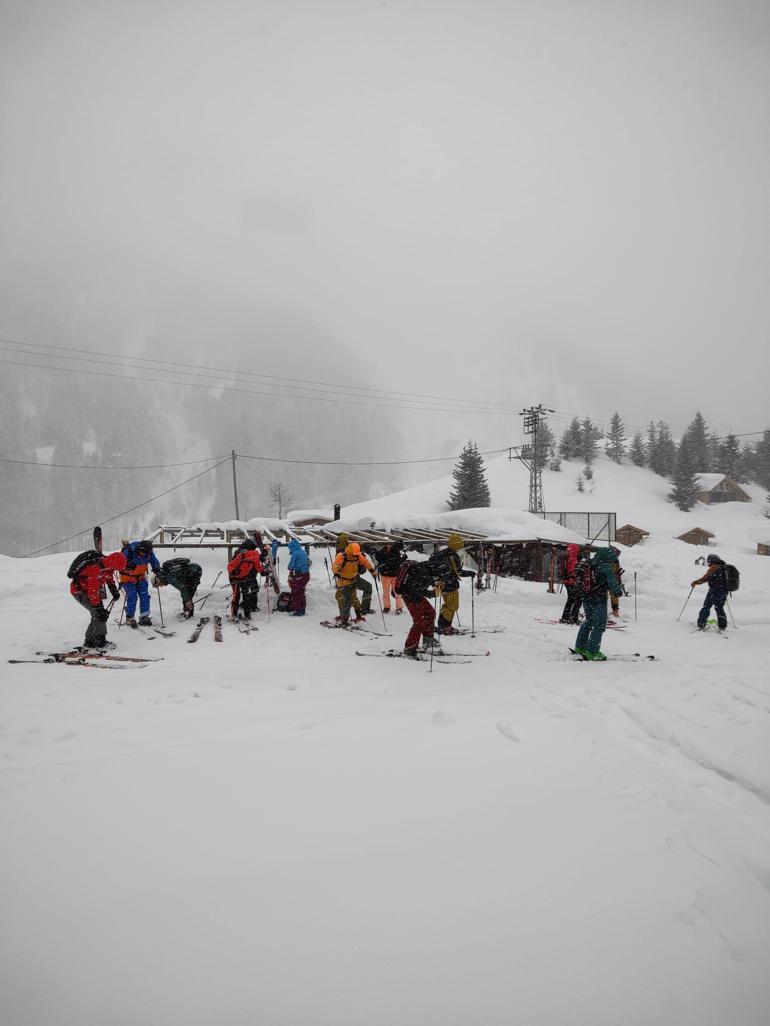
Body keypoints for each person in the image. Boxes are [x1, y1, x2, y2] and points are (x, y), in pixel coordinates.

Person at [573, 547, 624, 661]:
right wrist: (618, 592)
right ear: (608, 557)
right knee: (599, 624)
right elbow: (612, 585)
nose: (613, 561)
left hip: (586, 597)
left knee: (589, 621)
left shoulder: (587, 564)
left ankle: (580, 646)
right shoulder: (605, 567)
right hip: (599, 598)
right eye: (612, 559)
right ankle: (592, 651)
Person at [70, 550, 126, 649]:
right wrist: (97, 607)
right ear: (113, 564)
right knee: (99, 614)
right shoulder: (94, 569)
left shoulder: (106, 565)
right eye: (116, 568)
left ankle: (90, 640)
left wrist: (113, 589)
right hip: (80, 591)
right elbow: (93, 590)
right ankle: (99, 641)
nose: (116, 571)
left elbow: (108, 576)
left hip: (89, 591)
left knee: (98, 614)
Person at [432, 533, 475, 635]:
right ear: (457, 544)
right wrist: (470, 573)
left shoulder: (441, 553)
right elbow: (458, 572)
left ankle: (441, 624)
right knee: (453, 606)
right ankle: (446, 627)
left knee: (447, 605)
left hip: (440, 584)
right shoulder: (453, 555)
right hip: (450, 584)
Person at [398, 559, 441, 658]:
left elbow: (425, 582)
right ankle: (410, 648)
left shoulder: (428, 570)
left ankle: (428, 641)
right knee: (419, 622)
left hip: (417, 596)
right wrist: (432, 593)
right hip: (411, 597)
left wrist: (435, 584)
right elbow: (413, 589)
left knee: (430, 613)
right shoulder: (422, 572)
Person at [120, 539, 161, 627]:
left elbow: (154, 561)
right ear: (139, 549)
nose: (145, 555)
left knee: (145, 596)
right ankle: (130, 617)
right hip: (128, 579)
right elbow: (117, 565)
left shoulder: (148, 552)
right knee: (132, 596)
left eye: (146, 553)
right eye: (143, 553)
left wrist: (157, 568)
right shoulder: (129, 552)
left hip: (141, 578)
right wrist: (126, 566)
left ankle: (144, 617)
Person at [333, 542, 374, 625]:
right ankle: (348, 616)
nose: (355, 556)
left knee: (347, 599)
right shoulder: (342, 556)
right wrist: (336, 571)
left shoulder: (357, 556)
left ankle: (346, 618)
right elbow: (335, 566)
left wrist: (373, 571)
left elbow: (365, 562)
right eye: (354, 554)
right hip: (343, 582)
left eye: (356, 554)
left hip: (353, 580)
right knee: (344, 598)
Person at [227, 539, 265, 620]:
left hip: (243, 577)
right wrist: (234, 571)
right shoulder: (241, 555)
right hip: (234, 577)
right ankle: (237, 614)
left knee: (243, 595)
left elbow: (258, 566)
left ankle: (244, 614)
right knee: (239, 595)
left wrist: (263, 571)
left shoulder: (254, 556)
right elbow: (230, 566)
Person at [692, 554, 729, 631]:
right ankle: (722, 625)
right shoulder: (725, 568)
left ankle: (701, 624)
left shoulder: (714, 567)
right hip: (724, 591)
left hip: (714, 591)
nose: (708, 562)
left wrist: (695, 582)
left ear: (711, 560)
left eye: (709, 560)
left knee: (706, 607)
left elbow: (705, 578)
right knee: (719, 607)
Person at [374, 541, 407, 614]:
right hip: (385, 575)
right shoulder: (382, 552)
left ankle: (399, 607)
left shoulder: (397, 552)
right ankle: (386, 607)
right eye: (387, 544)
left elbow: (394, 562)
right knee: (386, 592)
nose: (389, 545)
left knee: (397, 592)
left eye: (390, 544)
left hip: (395, 575)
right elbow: (386, 561)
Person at [559, 543, 584, 624]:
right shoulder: (573, 559)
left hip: (567, 581)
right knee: (578, 600)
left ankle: (565, 617)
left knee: (570, 599)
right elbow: (574, 572)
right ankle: (573, 618)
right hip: (572, 582)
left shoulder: (567, 558)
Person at [287, 539, 310, 617]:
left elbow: (291, 565)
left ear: (292, 547)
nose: (289, 549)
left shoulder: (295, 553)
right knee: (301, 592)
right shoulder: (304, 552)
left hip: (300, 575)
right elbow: (308, 562)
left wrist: (290, 571)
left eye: (290, 548)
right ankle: (302, 609)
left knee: (295, 593)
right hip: (306, 574)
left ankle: (297, 610)